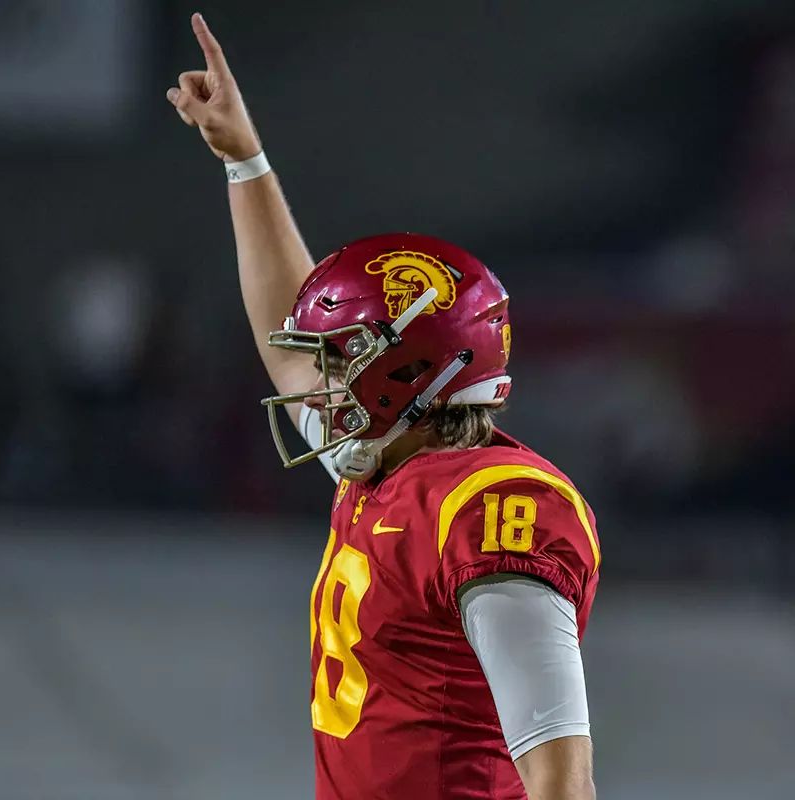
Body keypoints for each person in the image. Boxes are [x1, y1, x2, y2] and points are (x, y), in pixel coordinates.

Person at [166, 13, 600, 800]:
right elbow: (285, 342)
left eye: (342, 359)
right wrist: (244, 162)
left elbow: (561, 782)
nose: (316, 377)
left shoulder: (496, 509)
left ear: (410, 373)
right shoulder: (387, 465)